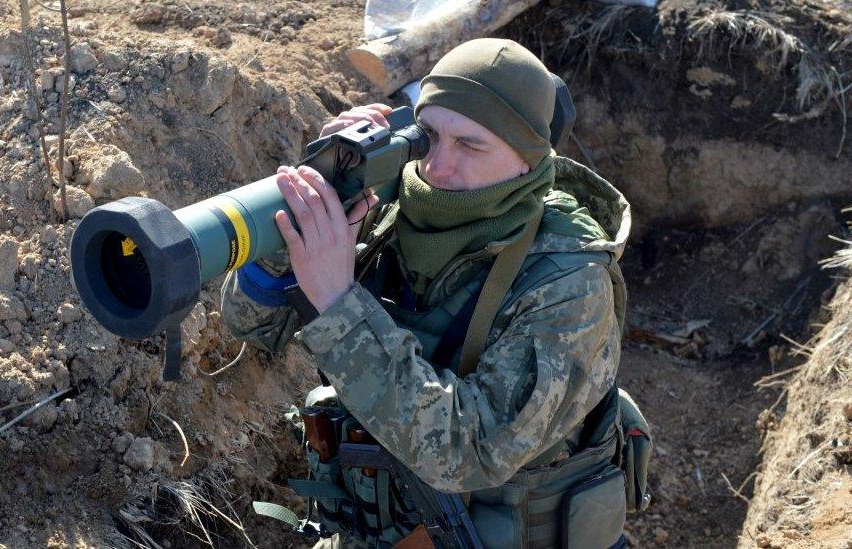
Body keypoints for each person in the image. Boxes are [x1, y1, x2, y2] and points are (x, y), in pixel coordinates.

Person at [221, 38, 647, 549]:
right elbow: (253, 325)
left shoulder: (570, 281)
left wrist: (337, 303)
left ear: (528, 159)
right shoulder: (388, 207)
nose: (438, 168)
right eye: (430, 137)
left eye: (471, 145)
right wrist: (312, 203)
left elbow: (470, 451)